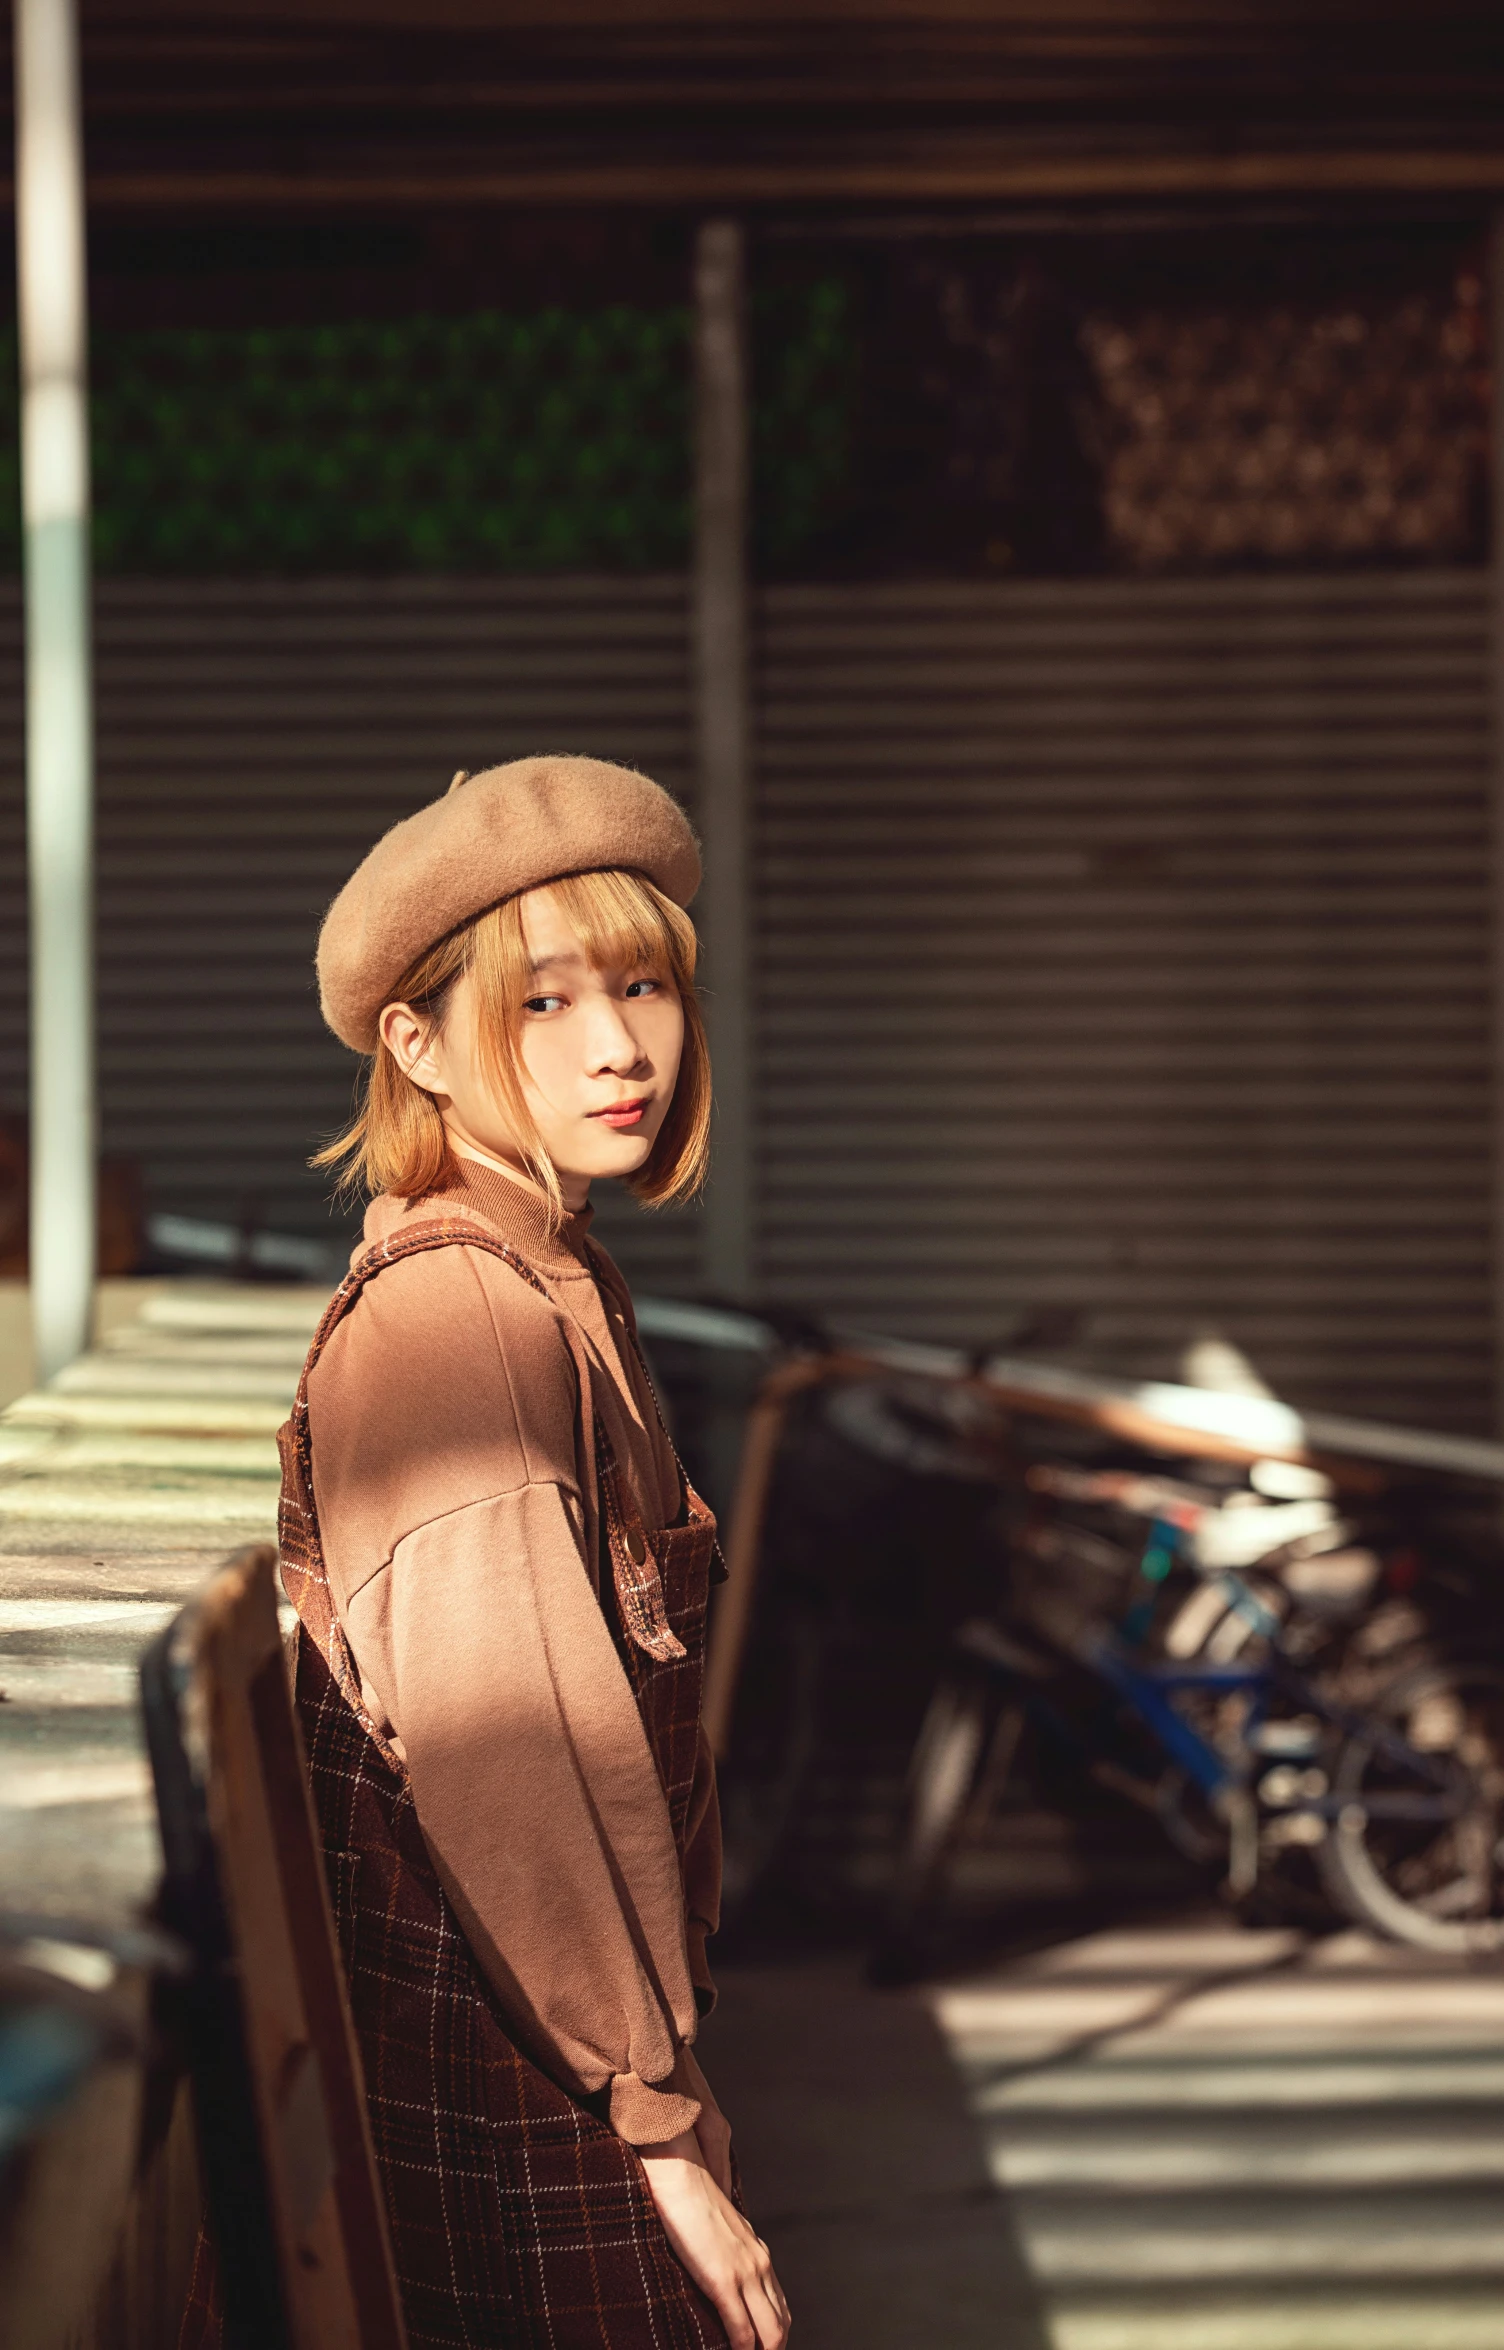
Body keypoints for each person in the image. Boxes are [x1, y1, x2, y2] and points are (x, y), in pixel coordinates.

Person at [286, 756, 788, 2350]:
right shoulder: (460, 1320)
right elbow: (517, 1764)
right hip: (511, 2075)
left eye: (641, 982)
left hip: (556, 2052)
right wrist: (658, 2124)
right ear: (415, 1046)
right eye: (543, 1002)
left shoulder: (554, 1273)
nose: (621, 1044)